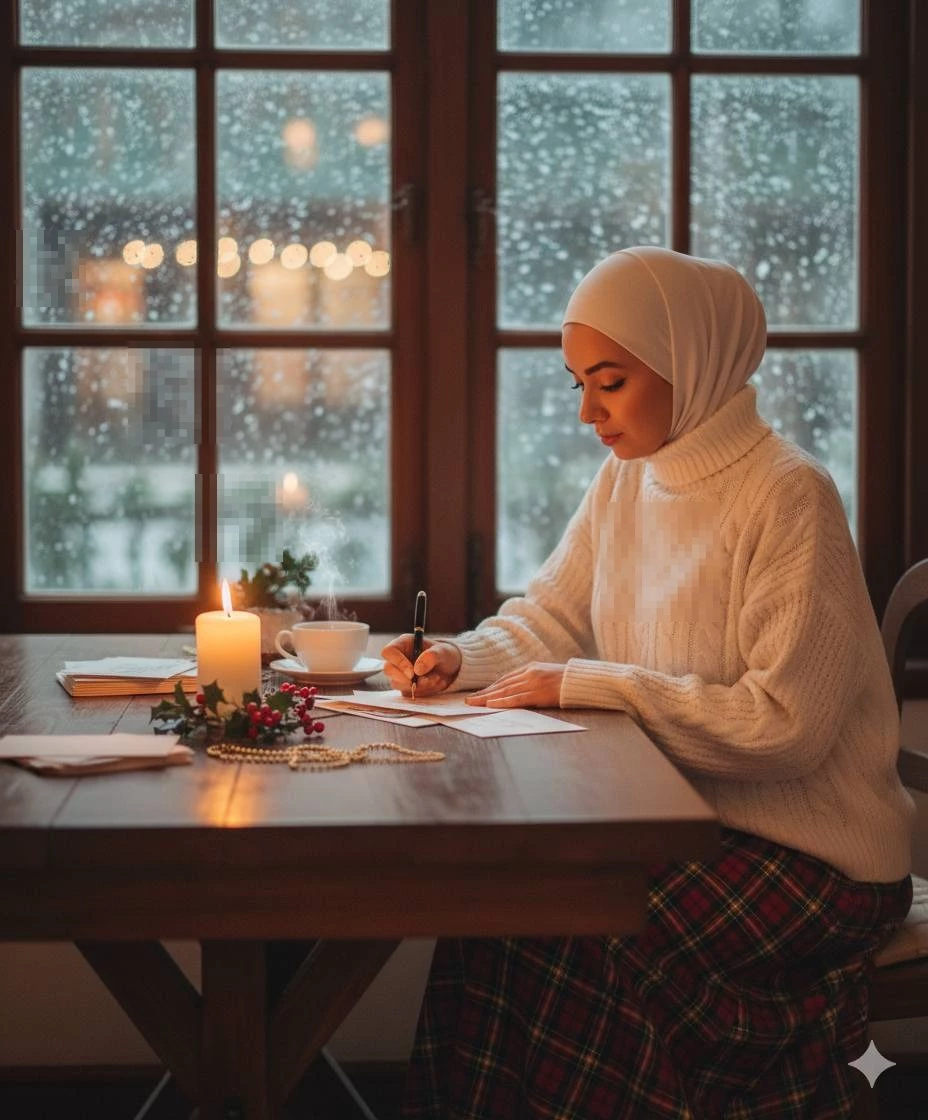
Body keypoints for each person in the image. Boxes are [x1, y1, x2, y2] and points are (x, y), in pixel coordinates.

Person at [381, 246, 915, 1119]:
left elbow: (784, 727)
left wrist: (592, 684)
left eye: (611, 382)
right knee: (498, 908)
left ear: (690, 362)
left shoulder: (789, 495)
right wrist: (458, 659)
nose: (588, 412)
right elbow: (549, 619)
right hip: (686, 824)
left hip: (818, 862)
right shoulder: (628, 476)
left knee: (580, 926)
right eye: (577, 384)